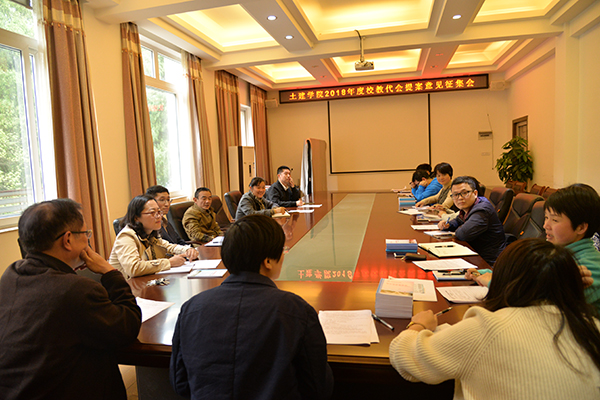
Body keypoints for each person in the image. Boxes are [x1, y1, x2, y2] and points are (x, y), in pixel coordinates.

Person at [390, 239, 600, 400]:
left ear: (502, 280)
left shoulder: (487, 328)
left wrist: (418, 324)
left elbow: (403, 356)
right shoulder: (592, 327)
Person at [170, 215, 334, 399]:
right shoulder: (296, 310)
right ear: (268, 261)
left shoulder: (191, 308)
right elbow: (317, 387)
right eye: (283, 250)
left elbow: (180, 383)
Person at [0, 199, 142, 400]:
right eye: (86, 234)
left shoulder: (11, 274)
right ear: (67, 240)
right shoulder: (76, 290)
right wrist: (110, 272)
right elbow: (128, 327)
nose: (87, 240)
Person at [467, 184, 600, 311]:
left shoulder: (589, 267)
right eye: (546, 217)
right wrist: (494, 275)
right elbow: (531, 279)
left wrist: (494, 283)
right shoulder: (559, 254)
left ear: (581, 227)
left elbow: (540, 305)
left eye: (555, 220)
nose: (545, 226)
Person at [109, 195, 199, 278]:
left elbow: (168, 246)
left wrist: (187, 250)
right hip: (128, 286)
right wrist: (169, 262)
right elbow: (133, 268)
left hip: (146, 282)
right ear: (136, 217)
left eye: (159, 212)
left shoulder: (150, 233)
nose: (159, 216)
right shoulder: (126, 236)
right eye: (152, 212)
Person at [437, 176, 506, 265]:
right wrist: (448, 225)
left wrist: (457, 230)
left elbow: (463, 234)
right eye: (455, 195)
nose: (460, 198)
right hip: (474, 254)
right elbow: (458, 220)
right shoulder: (469, 206)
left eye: (464, 193)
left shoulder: (482, 210)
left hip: (488, 261)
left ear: (475, 193)